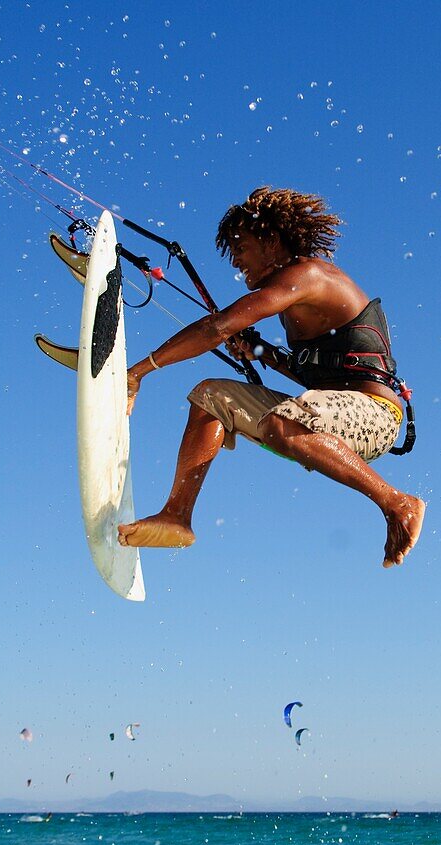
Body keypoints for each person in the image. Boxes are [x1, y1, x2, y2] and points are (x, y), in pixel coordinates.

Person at [118, 187, 425, 567]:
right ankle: (176, 516)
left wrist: (139, 372)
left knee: (283, 421)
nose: (237, 261)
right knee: (210, 396)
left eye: (240, 247)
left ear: (270, 240)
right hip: (332, 411)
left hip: (376, 416)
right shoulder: (294, 294)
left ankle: (398, 503)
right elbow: (317, 379)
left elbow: (218, 325)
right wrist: (259, 351)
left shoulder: (309, 275)